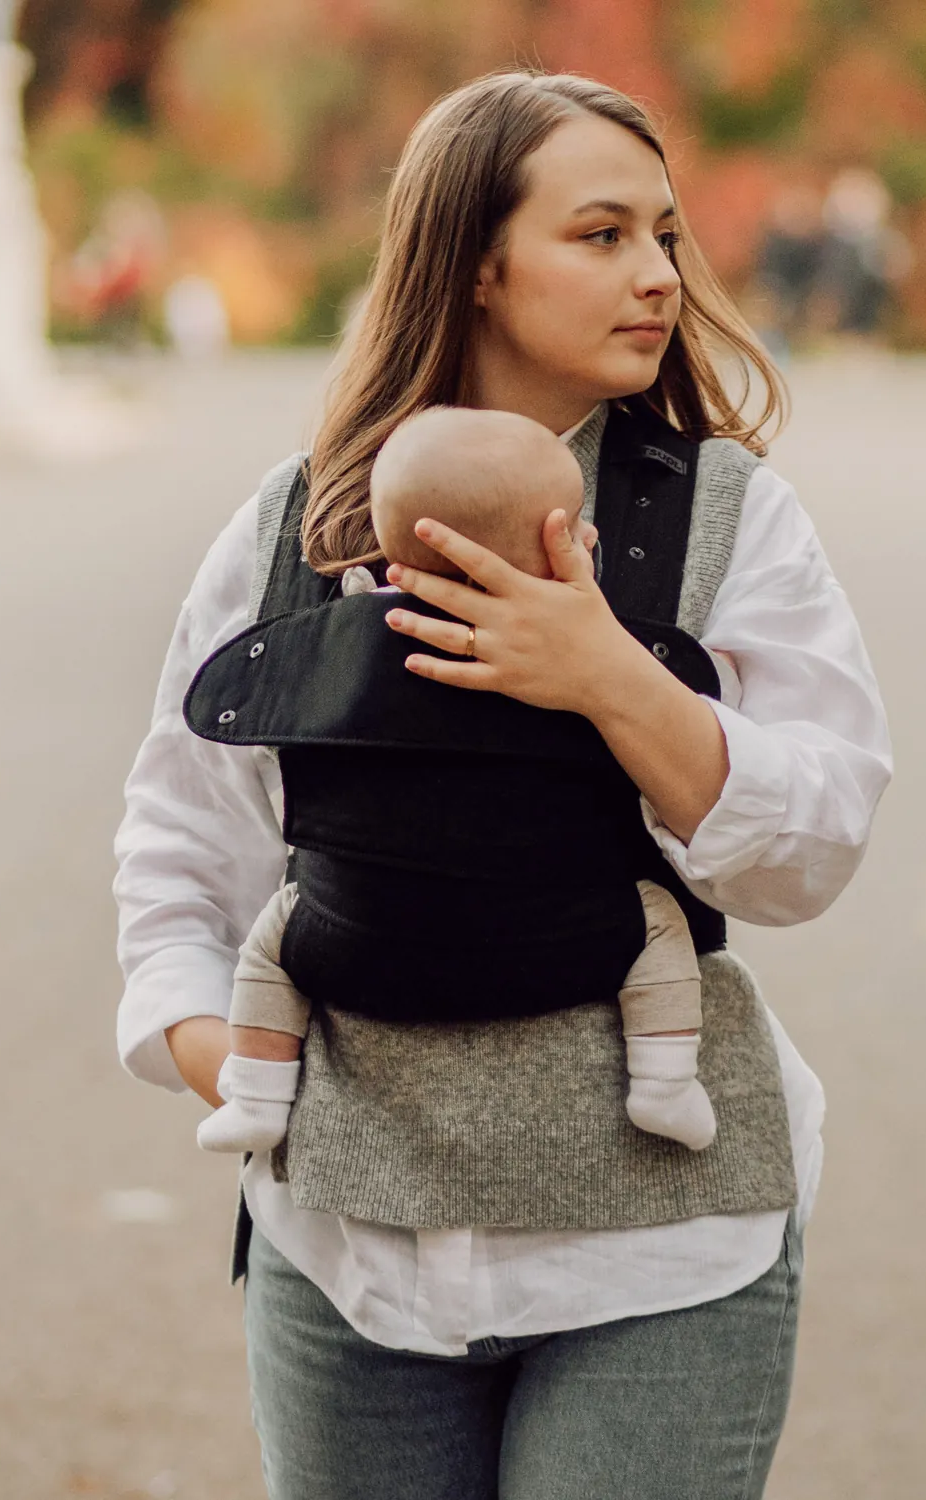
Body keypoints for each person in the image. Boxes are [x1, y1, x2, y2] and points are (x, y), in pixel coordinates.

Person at [114, 70, 891, 1500]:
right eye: (601, 236)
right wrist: (248, 1077)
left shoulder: (726, 516)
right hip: (341, 1262)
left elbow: (811, 851)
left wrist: (604, 669)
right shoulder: (296, 528)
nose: (657, 274)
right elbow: (180, 847)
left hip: (663, 1252)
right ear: (474, 262)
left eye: (664, 236)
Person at [191, 404, 715, 1158]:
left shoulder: (345, 645)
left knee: (270, 941)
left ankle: (258, 1096)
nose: (593, 537)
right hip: (572, 936)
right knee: (665, 923)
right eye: (573, 527)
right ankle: (665, 1082)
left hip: (349, 936)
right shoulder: (592, 657)